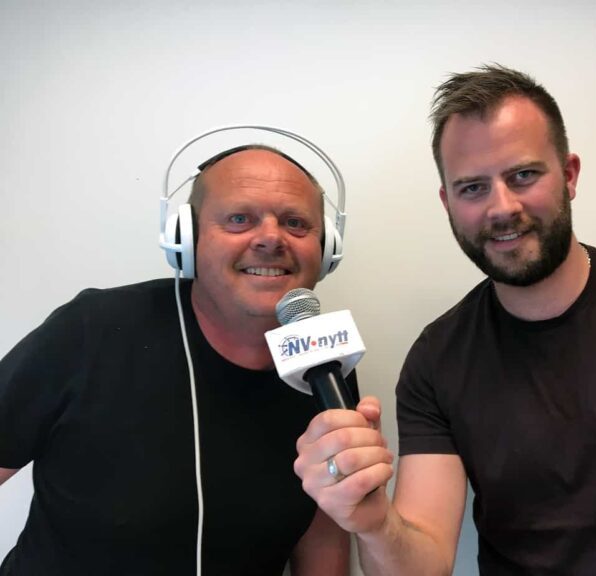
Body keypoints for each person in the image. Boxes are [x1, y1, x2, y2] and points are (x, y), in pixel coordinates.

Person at [294, 64, 596, 575]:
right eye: (472, 188)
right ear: (447, 202)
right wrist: (373, 522)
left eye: (523, 175)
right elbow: (422, 565)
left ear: (569, 174)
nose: (502, 207)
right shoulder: (437, 360)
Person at [0, 143, 355, 575]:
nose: (270, 238)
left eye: (295, 223)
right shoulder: (91, 331)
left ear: (327, 246)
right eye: (239, 219)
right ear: (186, 238)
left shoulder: (325, 367)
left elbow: (322, 534)